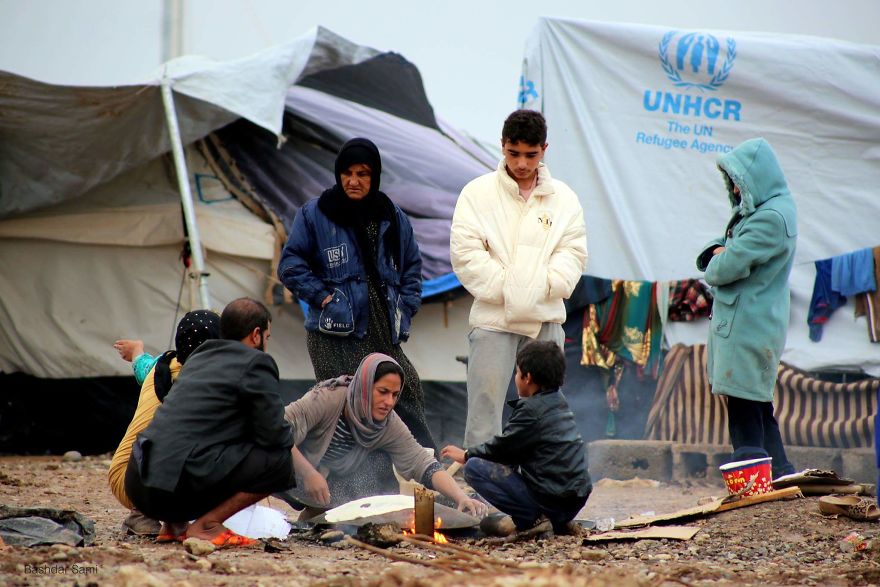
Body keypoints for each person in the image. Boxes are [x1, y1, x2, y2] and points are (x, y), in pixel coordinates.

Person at [277, 138, 434, 450]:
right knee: (344, 405)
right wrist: (324, 298)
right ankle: (347, 475)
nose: (353, 181)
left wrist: (407, 307)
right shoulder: (315, 214)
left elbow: (412, 268)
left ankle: (425, 466)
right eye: (347, 173)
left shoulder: (391, 215)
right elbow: (290, 265)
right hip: (334, 334)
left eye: (362, 174)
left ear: (374, 176)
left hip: (382, 330)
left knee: (407, 392)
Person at [450, 109, 587, 447]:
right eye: (514, 153)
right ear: (502, 145)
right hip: (493, 318)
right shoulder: (476, 193)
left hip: (545, 317)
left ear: (544, 149)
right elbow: (466, 255)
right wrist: (515, 290)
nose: (522, 163)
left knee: (546, 406)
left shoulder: (565, 199)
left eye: (531, 154)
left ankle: (543, 470)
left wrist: (542, 288)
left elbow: (573, 253)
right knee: (484, 406)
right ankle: (481, 474)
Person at [124, 298, 295, 547]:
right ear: (256, 335)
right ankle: (208, 526)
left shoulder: (198, 357)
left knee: (193, 440)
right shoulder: (256, 362)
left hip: (138, 483)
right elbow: (274, 434)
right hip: (173, 489)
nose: (266, 343)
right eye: (267, 337)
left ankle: (173, 525)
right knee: (279, 460)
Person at [696, 137, 797, 478]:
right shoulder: (768, 210)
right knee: (756, 405)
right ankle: (779, 474)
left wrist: (720, 255)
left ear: (756, 177)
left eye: (738, 181)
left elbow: (723, 268)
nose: (736, 190)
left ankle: (752, 480)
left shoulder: (770, 218)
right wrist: (722, 250)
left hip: (748, 325)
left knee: (744, 409)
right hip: (753, 322)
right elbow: (726, 248)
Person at [280, 352, 485, 519]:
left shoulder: (388, 423)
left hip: (334, 484)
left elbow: (422, 462)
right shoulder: (328, 398)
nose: (389, 402)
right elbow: (277, 427)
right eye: (383, 391)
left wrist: (461, 498)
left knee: (380, 466)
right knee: (270, 451)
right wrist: (308, 473)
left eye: (395, 395)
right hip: (294, 473)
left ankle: (318, 514)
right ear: (365, 387)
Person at [442, 340, 591, 535]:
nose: (515, 377)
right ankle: (555, 521)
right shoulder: (559, 401)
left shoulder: (531, 410)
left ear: (527, 378)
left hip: (552, 501)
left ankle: (535, 519)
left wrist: (467, 455)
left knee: (474, 468)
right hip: (575, 501)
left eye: (517, 372)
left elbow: (502, 448)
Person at [109, 310, 221, 536]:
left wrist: (137, 351)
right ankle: (150, 513)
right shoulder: (200, 383)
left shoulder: (161, 365)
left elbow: (142, 367)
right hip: (140, 484)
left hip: (121, 474)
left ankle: (161, 515)